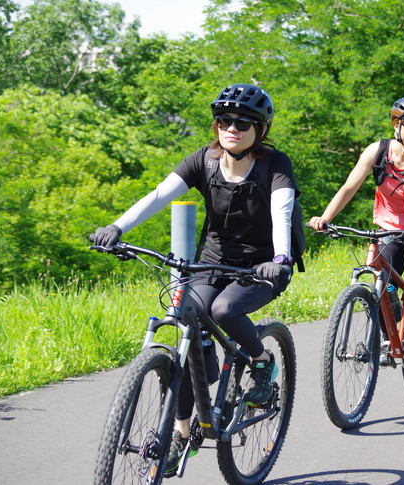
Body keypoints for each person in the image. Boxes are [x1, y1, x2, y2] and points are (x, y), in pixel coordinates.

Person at [90, 83, 298, 473]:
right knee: (186, 319)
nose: (231, 128)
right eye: (224, 120)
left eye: (242, 122)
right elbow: (158, 195)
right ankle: (183, 434)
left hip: (263, 264)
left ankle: (261, 358)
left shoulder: (274, 164)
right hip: (214, 261)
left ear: (261, 129)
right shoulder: (203, 160)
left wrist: (281, 257)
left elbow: (281, 210)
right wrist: (116, 227)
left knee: (223, 309)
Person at [309, 95, 404, 365]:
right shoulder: (378, 151)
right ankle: (389, 338)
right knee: (383, 278)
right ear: (395, 125)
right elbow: (349, 187)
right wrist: (325, 218)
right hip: (390, 224)